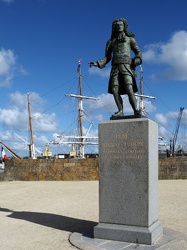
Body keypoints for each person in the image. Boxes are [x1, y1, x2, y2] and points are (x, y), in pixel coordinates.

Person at [89, 18, 142, 117]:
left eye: (120, 25)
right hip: (115, 68)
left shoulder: (130, 39)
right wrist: (98, 63)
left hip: (127, 67)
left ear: (124, 26)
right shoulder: (111, 42)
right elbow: (107, 57)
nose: (119, 27)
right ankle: (120, 111)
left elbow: (138, 52)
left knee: (129, 88)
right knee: (115, 90)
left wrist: (138, 58)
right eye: (117, 25)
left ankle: (136, 110)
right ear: (114, 27)